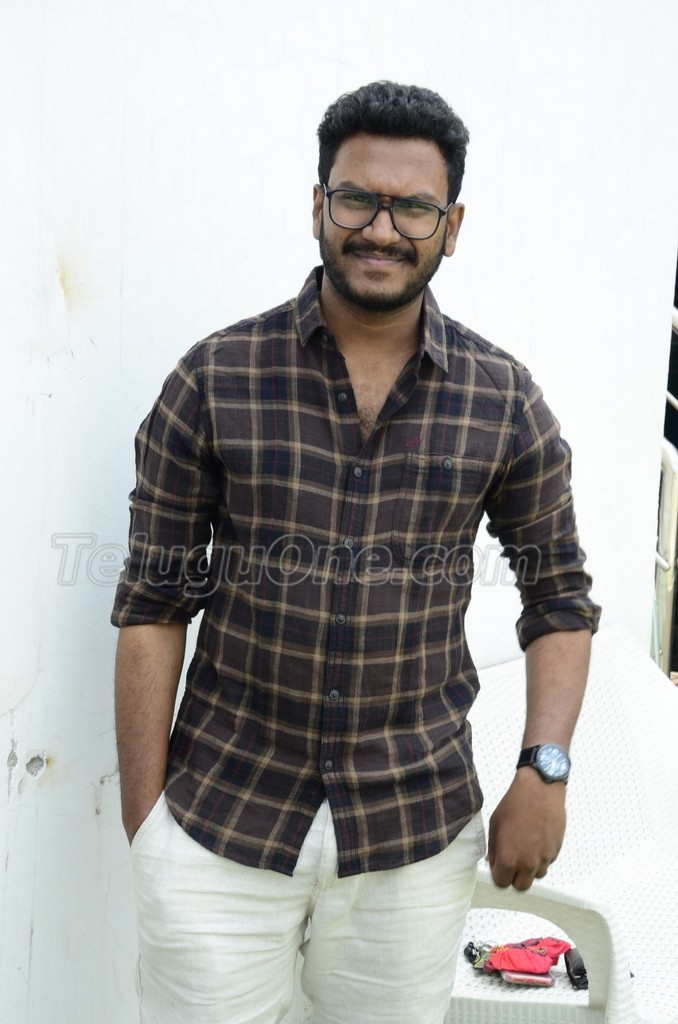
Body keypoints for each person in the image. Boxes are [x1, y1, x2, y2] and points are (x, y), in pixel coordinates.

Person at [112, 81, 600, 1024]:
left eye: (413, 207)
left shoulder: (503, 400)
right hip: (218, 818)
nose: (381, 228)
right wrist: (148, 828)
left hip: (413, 834)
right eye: (356, 199)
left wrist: (543, 770)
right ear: (317, 206)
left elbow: (561, 601)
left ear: (452, 226)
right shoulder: (215, 379)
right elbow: (152, 605)